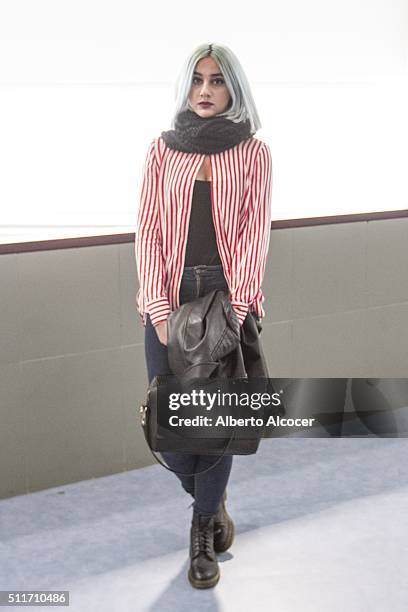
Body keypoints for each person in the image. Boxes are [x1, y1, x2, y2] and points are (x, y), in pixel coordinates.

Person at [135, 42, 273, 589]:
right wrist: (157, 307)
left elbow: (254, 236)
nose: (206, 91)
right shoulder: (161, 151)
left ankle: (201, 530)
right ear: (187, 87)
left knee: (215, 423)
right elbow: (147, 230)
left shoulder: (254, 154)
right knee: (175, 426)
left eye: (217, 81)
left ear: (233, 88)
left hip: (223, 294)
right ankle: (212, 502)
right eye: (198, 80)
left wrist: (237, 311)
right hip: (168, 293)